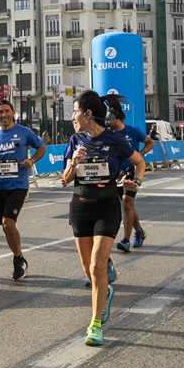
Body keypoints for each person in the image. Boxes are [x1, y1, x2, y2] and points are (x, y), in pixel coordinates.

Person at [61, 90, 145, 347]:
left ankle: (95, 324)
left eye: (75, 111)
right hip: (80, 207)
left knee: (98, 266)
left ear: (87, 114)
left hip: (107, 207)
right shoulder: (75, 140)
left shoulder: (116, 140)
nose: (73, 115)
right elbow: (65, 180)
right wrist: (74, 163)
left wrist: (136, 183)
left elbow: (139, 162)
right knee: (89, 271)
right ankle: (105, 290)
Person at [0, 99, 46, 281]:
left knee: (8, 223)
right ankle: (19, 256)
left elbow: (42, 147)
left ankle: (17, 261)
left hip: (18, 185)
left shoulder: (24, 132)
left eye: (6, 111)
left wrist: (31, 161)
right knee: (3, 225)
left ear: (13, 113)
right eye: (0, 112)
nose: (3, 115)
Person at [108, 100, 154, 253]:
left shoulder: (133, 132)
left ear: (117, 119)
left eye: (109, 119)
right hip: (116, 176)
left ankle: (126, 240)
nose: (107, 121)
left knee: (127, 204)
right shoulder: (108, 134)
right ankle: (140, 232)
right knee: (127, 205)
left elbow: (149, 142)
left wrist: (140, 155)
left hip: (131, 173)